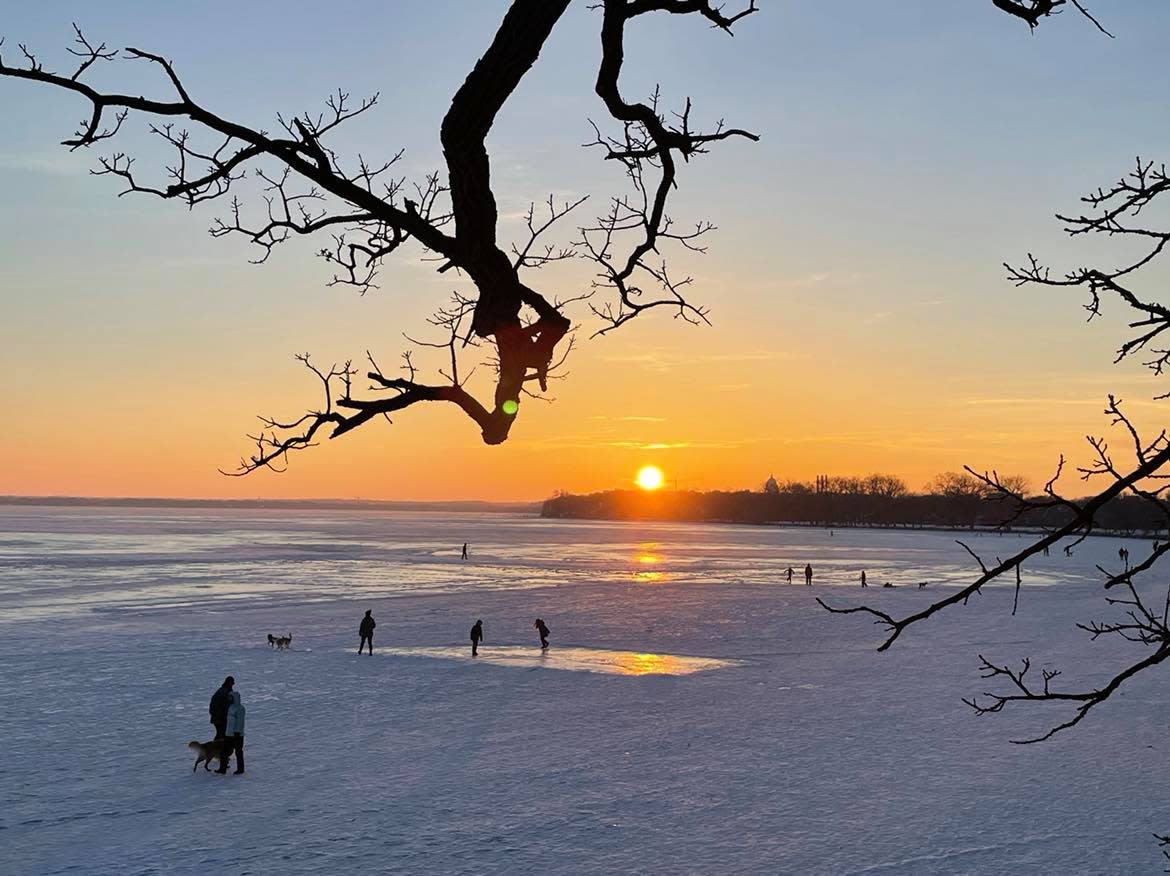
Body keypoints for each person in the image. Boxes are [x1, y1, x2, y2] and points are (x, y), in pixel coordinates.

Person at [215, 689, 246, 775]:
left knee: (238, 752)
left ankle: (240, 769)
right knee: (224, 752)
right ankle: (222, 769)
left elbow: (240, 722)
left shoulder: (240, 708)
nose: (229, 699)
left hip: (237, 735)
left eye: (230, 697)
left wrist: (237, 732)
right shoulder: (230, 707)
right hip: (229, 734)